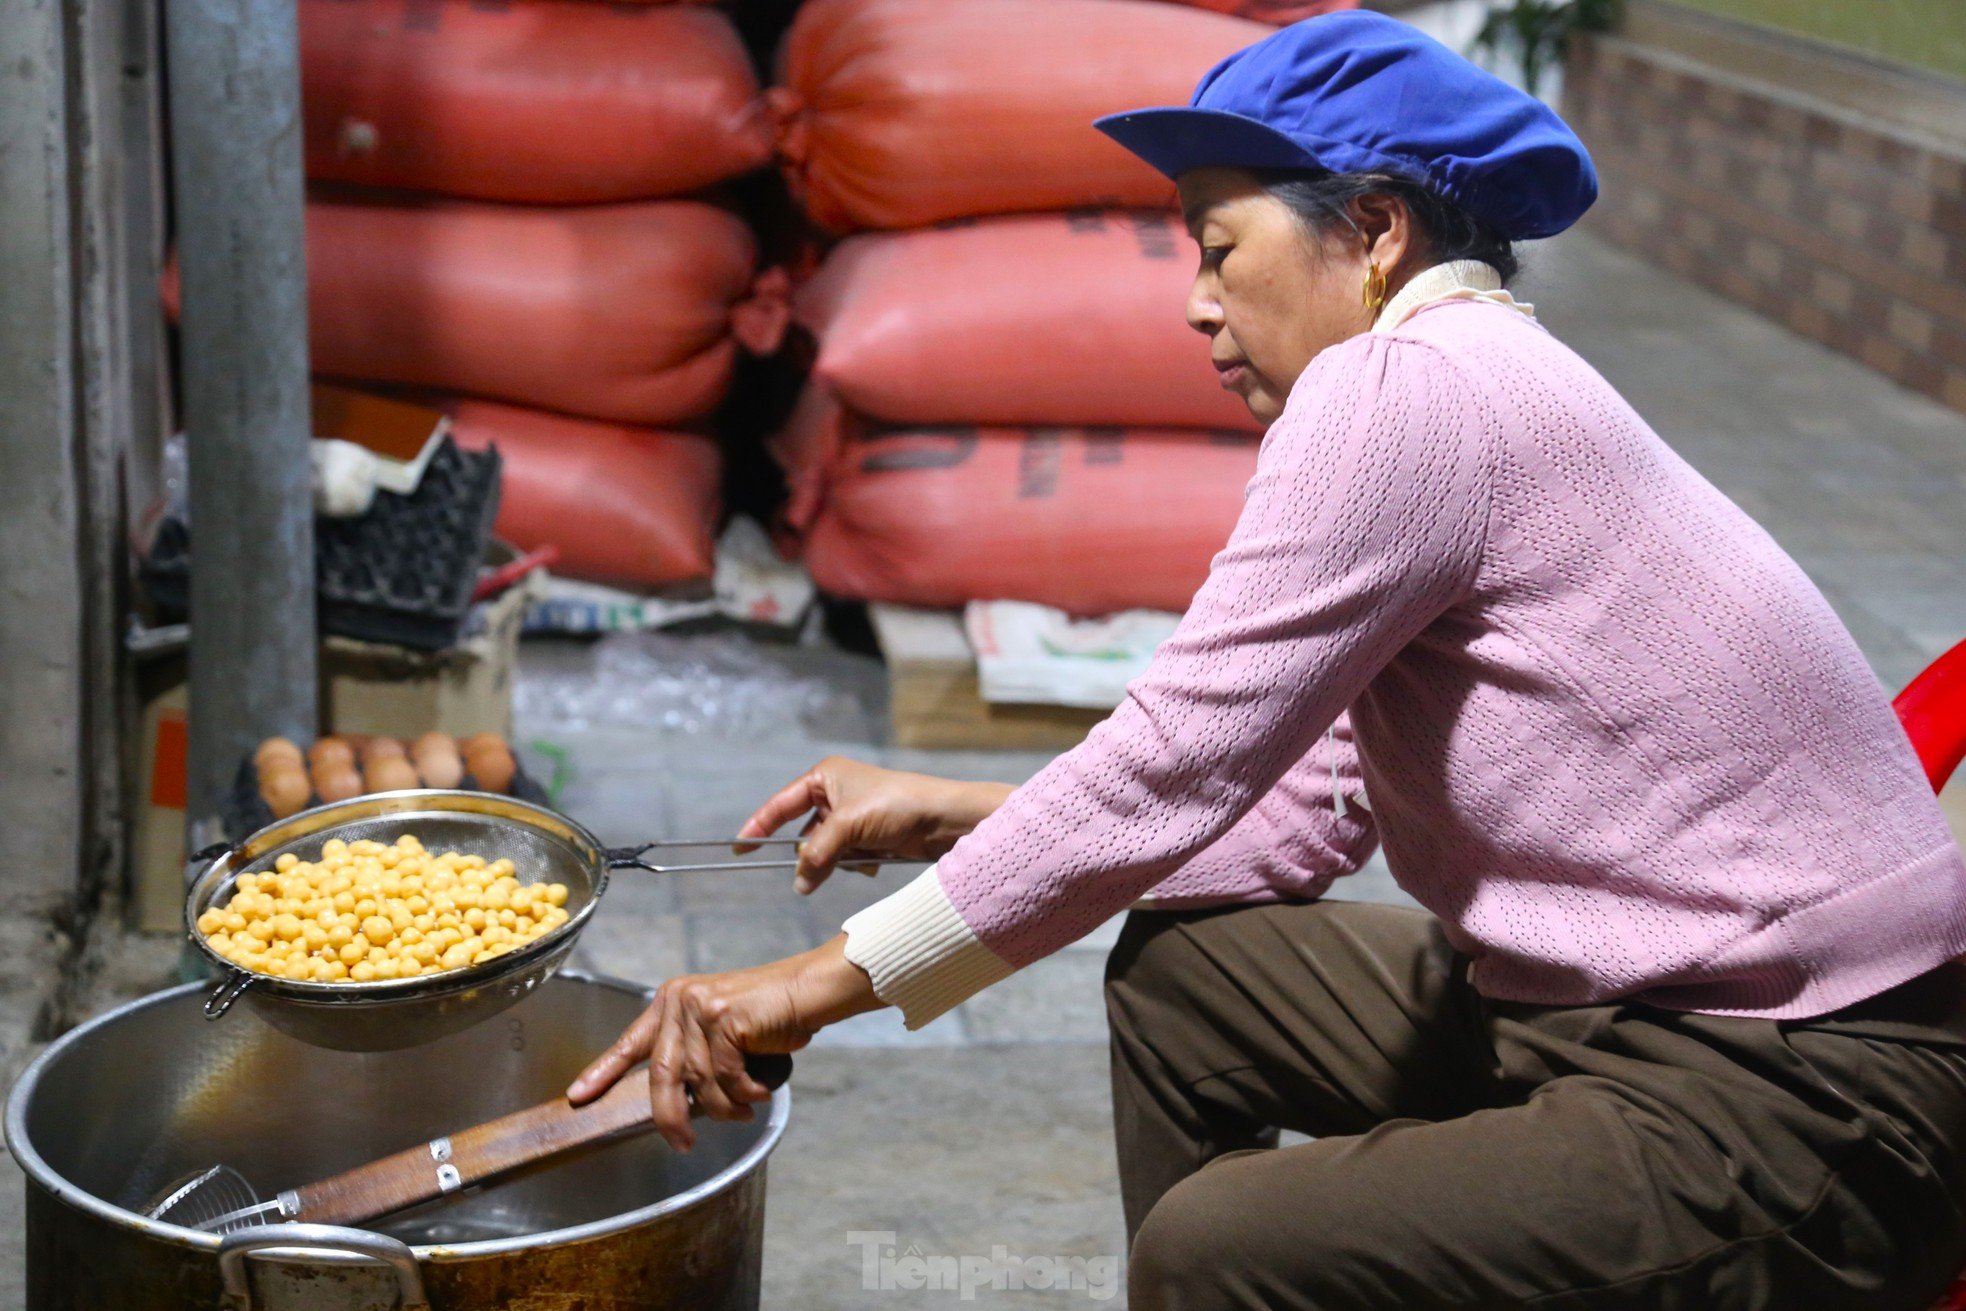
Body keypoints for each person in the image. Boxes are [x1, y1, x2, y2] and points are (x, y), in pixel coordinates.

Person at [570, 13, 1966, 1308]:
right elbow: (1294, 806)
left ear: (1369, 232)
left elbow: (1173, 764)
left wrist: (813, 988)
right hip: (1632, 1012)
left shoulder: (1410, 389)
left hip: (1814, 1099)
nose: (1195, 303)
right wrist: (958, 815)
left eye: (1217, 248)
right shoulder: (1477, 378)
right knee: (1196, 975)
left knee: (1215, 1248)